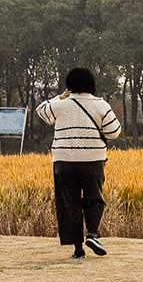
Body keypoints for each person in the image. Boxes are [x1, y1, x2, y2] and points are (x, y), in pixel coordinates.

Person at [35, 67, 122, 259]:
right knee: (94, 198)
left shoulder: (61, 105)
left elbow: (41, 110)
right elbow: (114, 133)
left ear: (69, 85)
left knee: (69, 204)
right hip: (93, 160)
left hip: (64, 161)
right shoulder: (101, 105)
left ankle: (78, 249)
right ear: (92, 84)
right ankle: (92, 234)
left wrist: (59, 97)